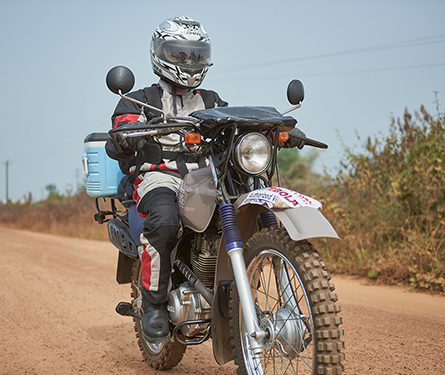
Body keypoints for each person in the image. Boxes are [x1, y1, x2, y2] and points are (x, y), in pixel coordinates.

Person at [105, 16, 305, 344]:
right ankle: (154, 305)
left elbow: (237, 124)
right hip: (159, 178)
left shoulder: (211, 101)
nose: (189, 62)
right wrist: (127, 134)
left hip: (206, 180)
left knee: (248, 202)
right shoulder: (139, 99)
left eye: (196, 55)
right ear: (160, 54)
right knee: (165, 219)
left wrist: (280, 129)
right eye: (180, 54)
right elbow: (123, 126)